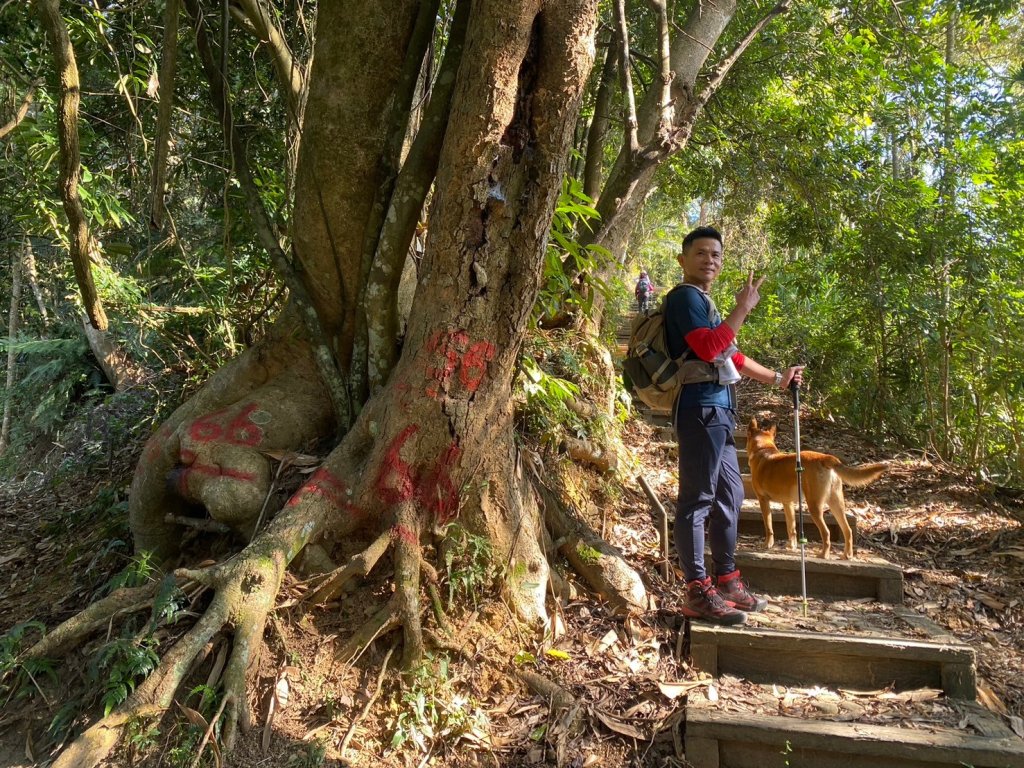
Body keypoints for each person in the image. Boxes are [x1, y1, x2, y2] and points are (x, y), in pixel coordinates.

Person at [665, 226, 804, 625]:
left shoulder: (707, 305)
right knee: (697, 499)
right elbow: (709, 348)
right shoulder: (685, 299)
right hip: (699, 409)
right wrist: (742, 308)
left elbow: (733, 357)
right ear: (683, 260)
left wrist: (779, 378)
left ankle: (726, 579)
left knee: (731, 494)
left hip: (720, 412)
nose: (711, 260)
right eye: (702, 253)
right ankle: (696, 589)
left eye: (716, 255)